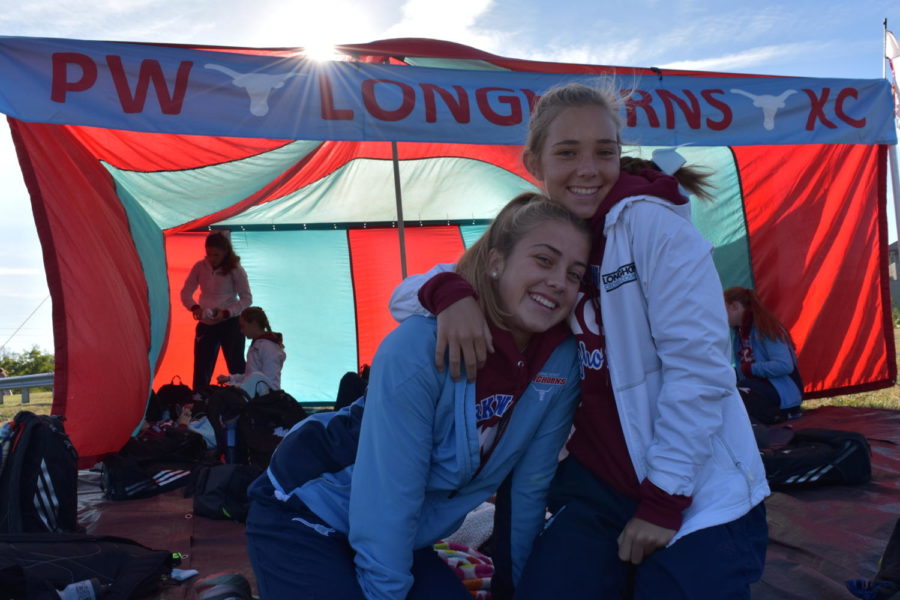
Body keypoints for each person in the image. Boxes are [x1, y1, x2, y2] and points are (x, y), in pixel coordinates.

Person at [390, 82, 769, 599]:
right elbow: (418, 289)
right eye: (567, 152)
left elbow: (700, 370)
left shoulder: (653, 227)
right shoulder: (558, 231)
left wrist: (663, 501)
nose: (588, 168)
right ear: (534, 160)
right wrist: (449, 293)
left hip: (693, 487)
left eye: (604, 151)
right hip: (599, 484)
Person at [244, 193, 589, 599]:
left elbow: (531, 485)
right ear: (497, 263)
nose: (557, 281)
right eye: (544, 260)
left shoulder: (559, 362)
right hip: (308, 507)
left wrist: (515, 588)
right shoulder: (419, 348)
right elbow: (389, 495)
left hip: (403, 531)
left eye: (574, 273)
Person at [180, 231, 252, 391]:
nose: (212, 258)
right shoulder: (200, 267)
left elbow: (246, 299)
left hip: (230, 323)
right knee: (202, 366)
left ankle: (244, 398)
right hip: (206, 323)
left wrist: (226, 312)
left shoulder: (236, 270)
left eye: (216, 255)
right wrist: (195, 307)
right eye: (209, 254)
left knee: (236, 364)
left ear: (226, 253)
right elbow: (186, 292)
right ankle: (199, 400)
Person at [724, 286, 802, 424]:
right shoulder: (740, 334)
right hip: (760, 388)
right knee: (726, 390)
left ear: (734, 306)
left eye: (724, 310)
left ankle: (776, 417)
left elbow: (784, 365)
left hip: (785, 396)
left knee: (738, 394)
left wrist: (749, 369)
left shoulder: (766, 328)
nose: (721, 317)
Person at [217, 306, 286, 397]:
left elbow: (267, 381)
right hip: (259, 396)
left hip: (267, 400)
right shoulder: (257, 345)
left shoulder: (268, 347)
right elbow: (249, 376)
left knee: (255, 377)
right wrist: (229, 379)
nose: (241, 331)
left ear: (253, 324)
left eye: (243, 326)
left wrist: (237, 387)